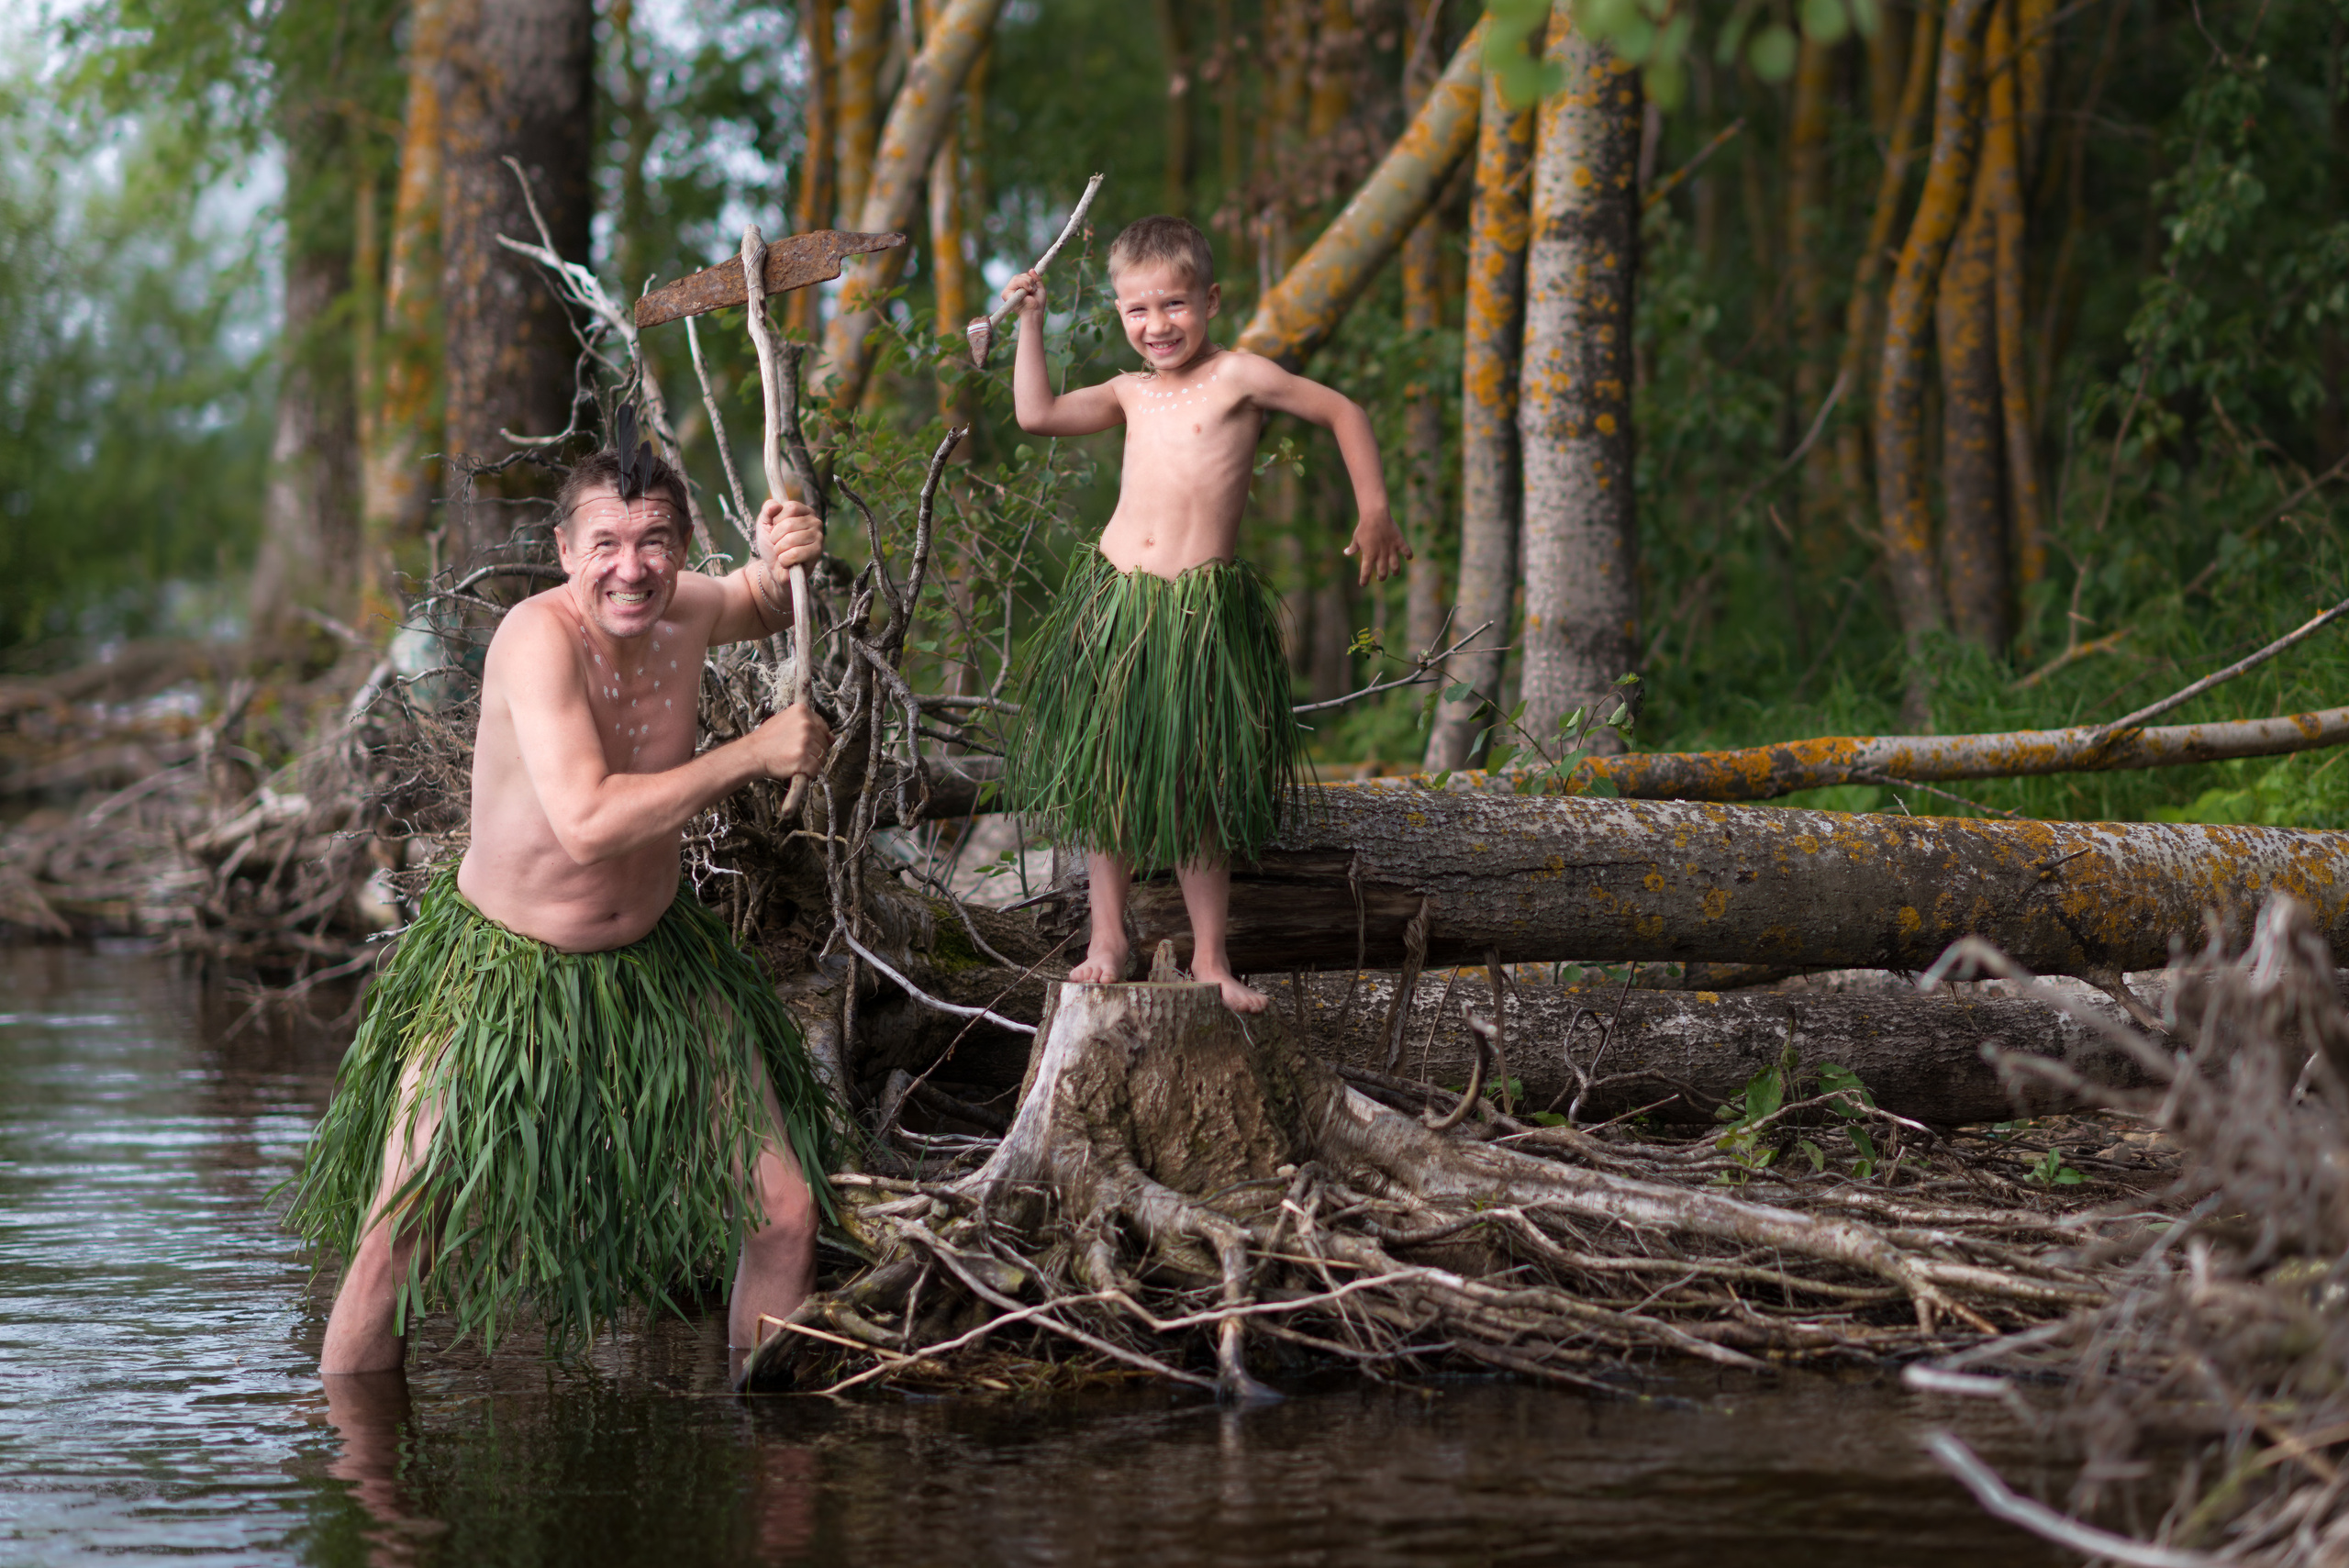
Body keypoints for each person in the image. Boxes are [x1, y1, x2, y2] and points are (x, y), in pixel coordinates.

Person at [289, 443, 837, 1382]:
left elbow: (751, 597)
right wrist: (753, 752)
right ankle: (364, 1492)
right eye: (607, 542)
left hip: (657, 961)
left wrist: (783, 548)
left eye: (657, 541)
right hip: (504, 969)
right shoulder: (535, 638)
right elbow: (584, 820)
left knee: (784, 1210)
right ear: (561, 547)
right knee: (402, 1228)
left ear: (683, 543)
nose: (632, 567)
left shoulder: (684, 606)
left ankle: (773, 1476)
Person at [1002, 215, 1408, 1014]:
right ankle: (1107, 940)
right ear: (1119, 313)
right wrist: (1029, 323)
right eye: (1138, 311)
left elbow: (1343, 412)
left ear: (1210, 299)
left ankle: (1212, 959)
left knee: (1197, 784)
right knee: (1108, 776)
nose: (1158, 326)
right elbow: (1036, 414)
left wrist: (1375, 510)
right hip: (1117, 602)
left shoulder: (1240, 378)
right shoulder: (1129, 391)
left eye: (1175, 305)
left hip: (1198, 616)